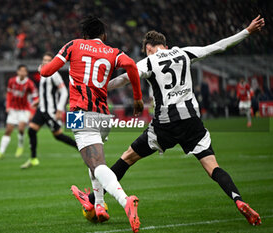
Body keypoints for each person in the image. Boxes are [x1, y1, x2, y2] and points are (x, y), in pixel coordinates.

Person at [80, 15, 265, 226]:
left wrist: (98, 88)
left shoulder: (148, 61)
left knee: (127, 158)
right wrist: (247, 31)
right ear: (165, 45)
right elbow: (218, 47)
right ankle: (238, 200)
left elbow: (124, 79)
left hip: (165, 124)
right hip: (192, 122)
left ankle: (94, 199)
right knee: (212, 167)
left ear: (148, 47)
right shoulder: (184, 53)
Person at [39, 16, 144, 233]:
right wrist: (137, 97)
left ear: (84, 35)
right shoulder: (113, 52)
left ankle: (125, 201)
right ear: (103, 35)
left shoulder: (74, 45)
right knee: (93, 160)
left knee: (96, 163)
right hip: (104, 115)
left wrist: (44, 66)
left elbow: (46, 72)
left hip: (80, 113)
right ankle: (98, 205)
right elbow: (132, 65)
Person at [20, 52, 77, 169]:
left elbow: (64, 92)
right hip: (41, 110)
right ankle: (33, 158)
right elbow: (46, 92)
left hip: (50, 111)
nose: (45, 62)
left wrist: (60, 109)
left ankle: (80, 148)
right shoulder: (42, 73)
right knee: (31, 130)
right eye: (44, 60)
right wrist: (39, 101)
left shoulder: (54, 75)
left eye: (48, 60)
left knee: (58, 136)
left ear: (52, 62)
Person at [0, 65, 38, 160]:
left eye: (24, 71)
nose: (22, 72)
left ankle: (20, 146)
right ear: (17, 72)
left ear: (26, 73)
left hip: (24, 110)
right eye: (20, 71)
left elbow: (35, 98)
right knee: (8, 130)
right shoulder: (12, 81)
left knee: (21, 128)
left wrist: (32, 112)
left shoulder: (30, 84)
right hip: (13, 109)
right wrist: (8, 106)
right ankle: (1, 152)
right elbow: (9, 94)